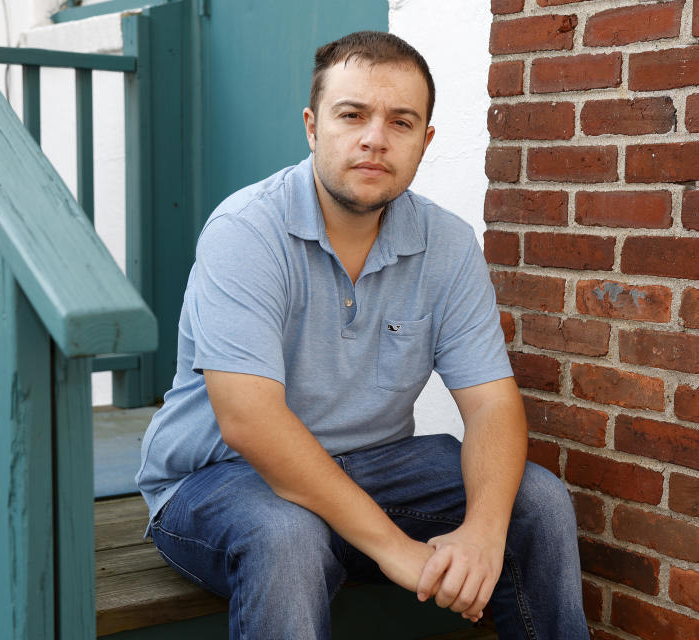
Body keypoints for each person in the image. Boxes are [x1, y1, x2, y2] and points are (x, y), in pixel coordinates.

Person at [136, 31, 589, 640]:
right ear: (312, 126)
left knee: (537, 500)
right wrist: (396, 549)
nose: (375, 138)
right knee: (288, 534)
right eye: (352, 115)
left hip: (376, 467)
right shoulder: (246, 231)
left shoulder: (447, 244)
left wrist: (482, 531)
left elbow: (490, 404)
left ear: (425, 142)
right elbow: (249, 421)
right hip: (220, 478)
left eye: (401, 122)